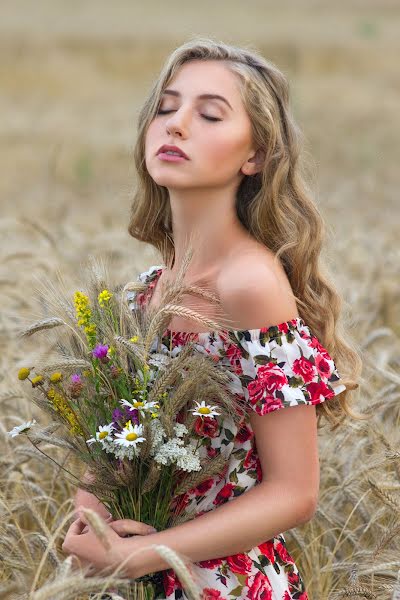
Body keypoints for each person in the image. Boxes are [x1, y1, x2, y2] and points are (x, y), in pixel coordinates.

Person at [62, 36, 364, 599]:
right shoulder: (145, 295)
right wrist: (89, 525)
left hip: (223, 585)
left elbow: (295, 492)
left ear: (256, 156)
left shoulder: (248, 286)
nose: (176, 125)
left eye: (209, 114)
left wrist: (139, 553)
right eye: (166, 107)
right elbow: (112, 444)